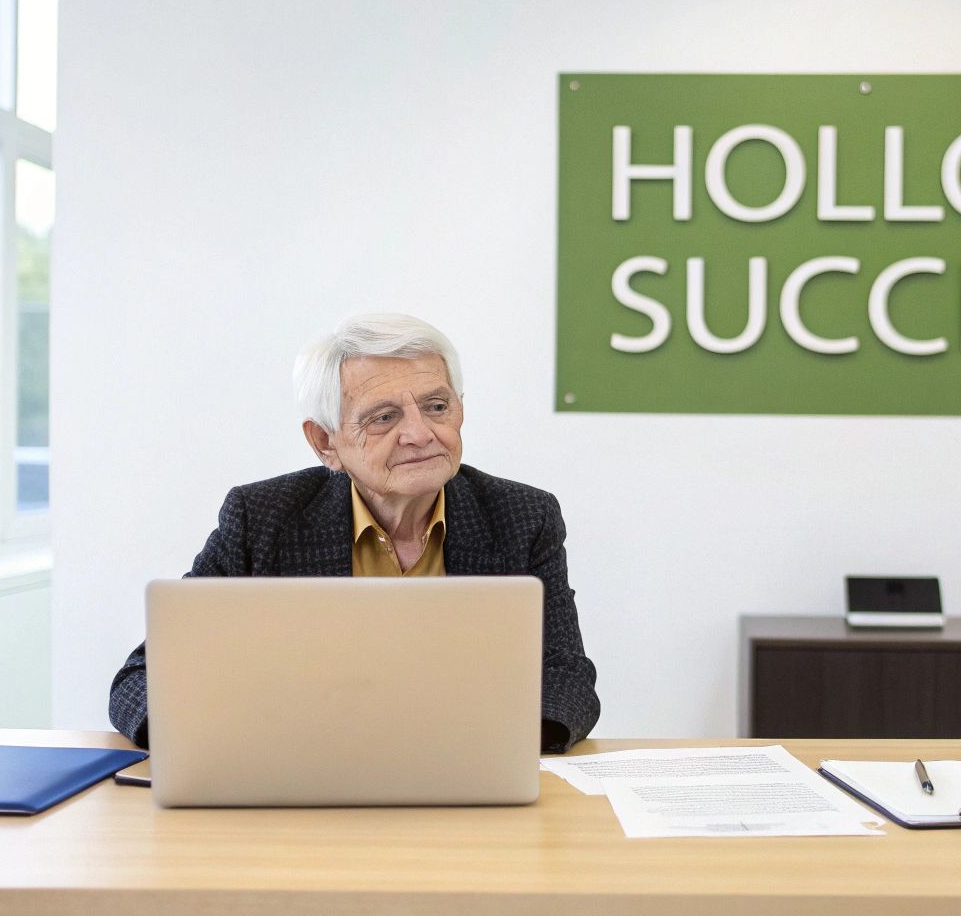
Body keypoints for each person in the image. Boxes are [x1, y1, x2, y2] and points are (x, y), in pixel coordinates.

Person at [107, 313, 600, 752]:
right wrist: (215, 747)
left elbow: (566, 676)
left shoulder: (521, 515)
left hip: (469, 776)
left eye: (435, 406)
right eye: (384, 417)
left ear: (460, 410)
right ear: (325, 442)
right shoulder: (262, 519)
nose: (419, 434)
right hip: (304, 781)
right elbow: (144, 678)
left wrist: (499, 750)